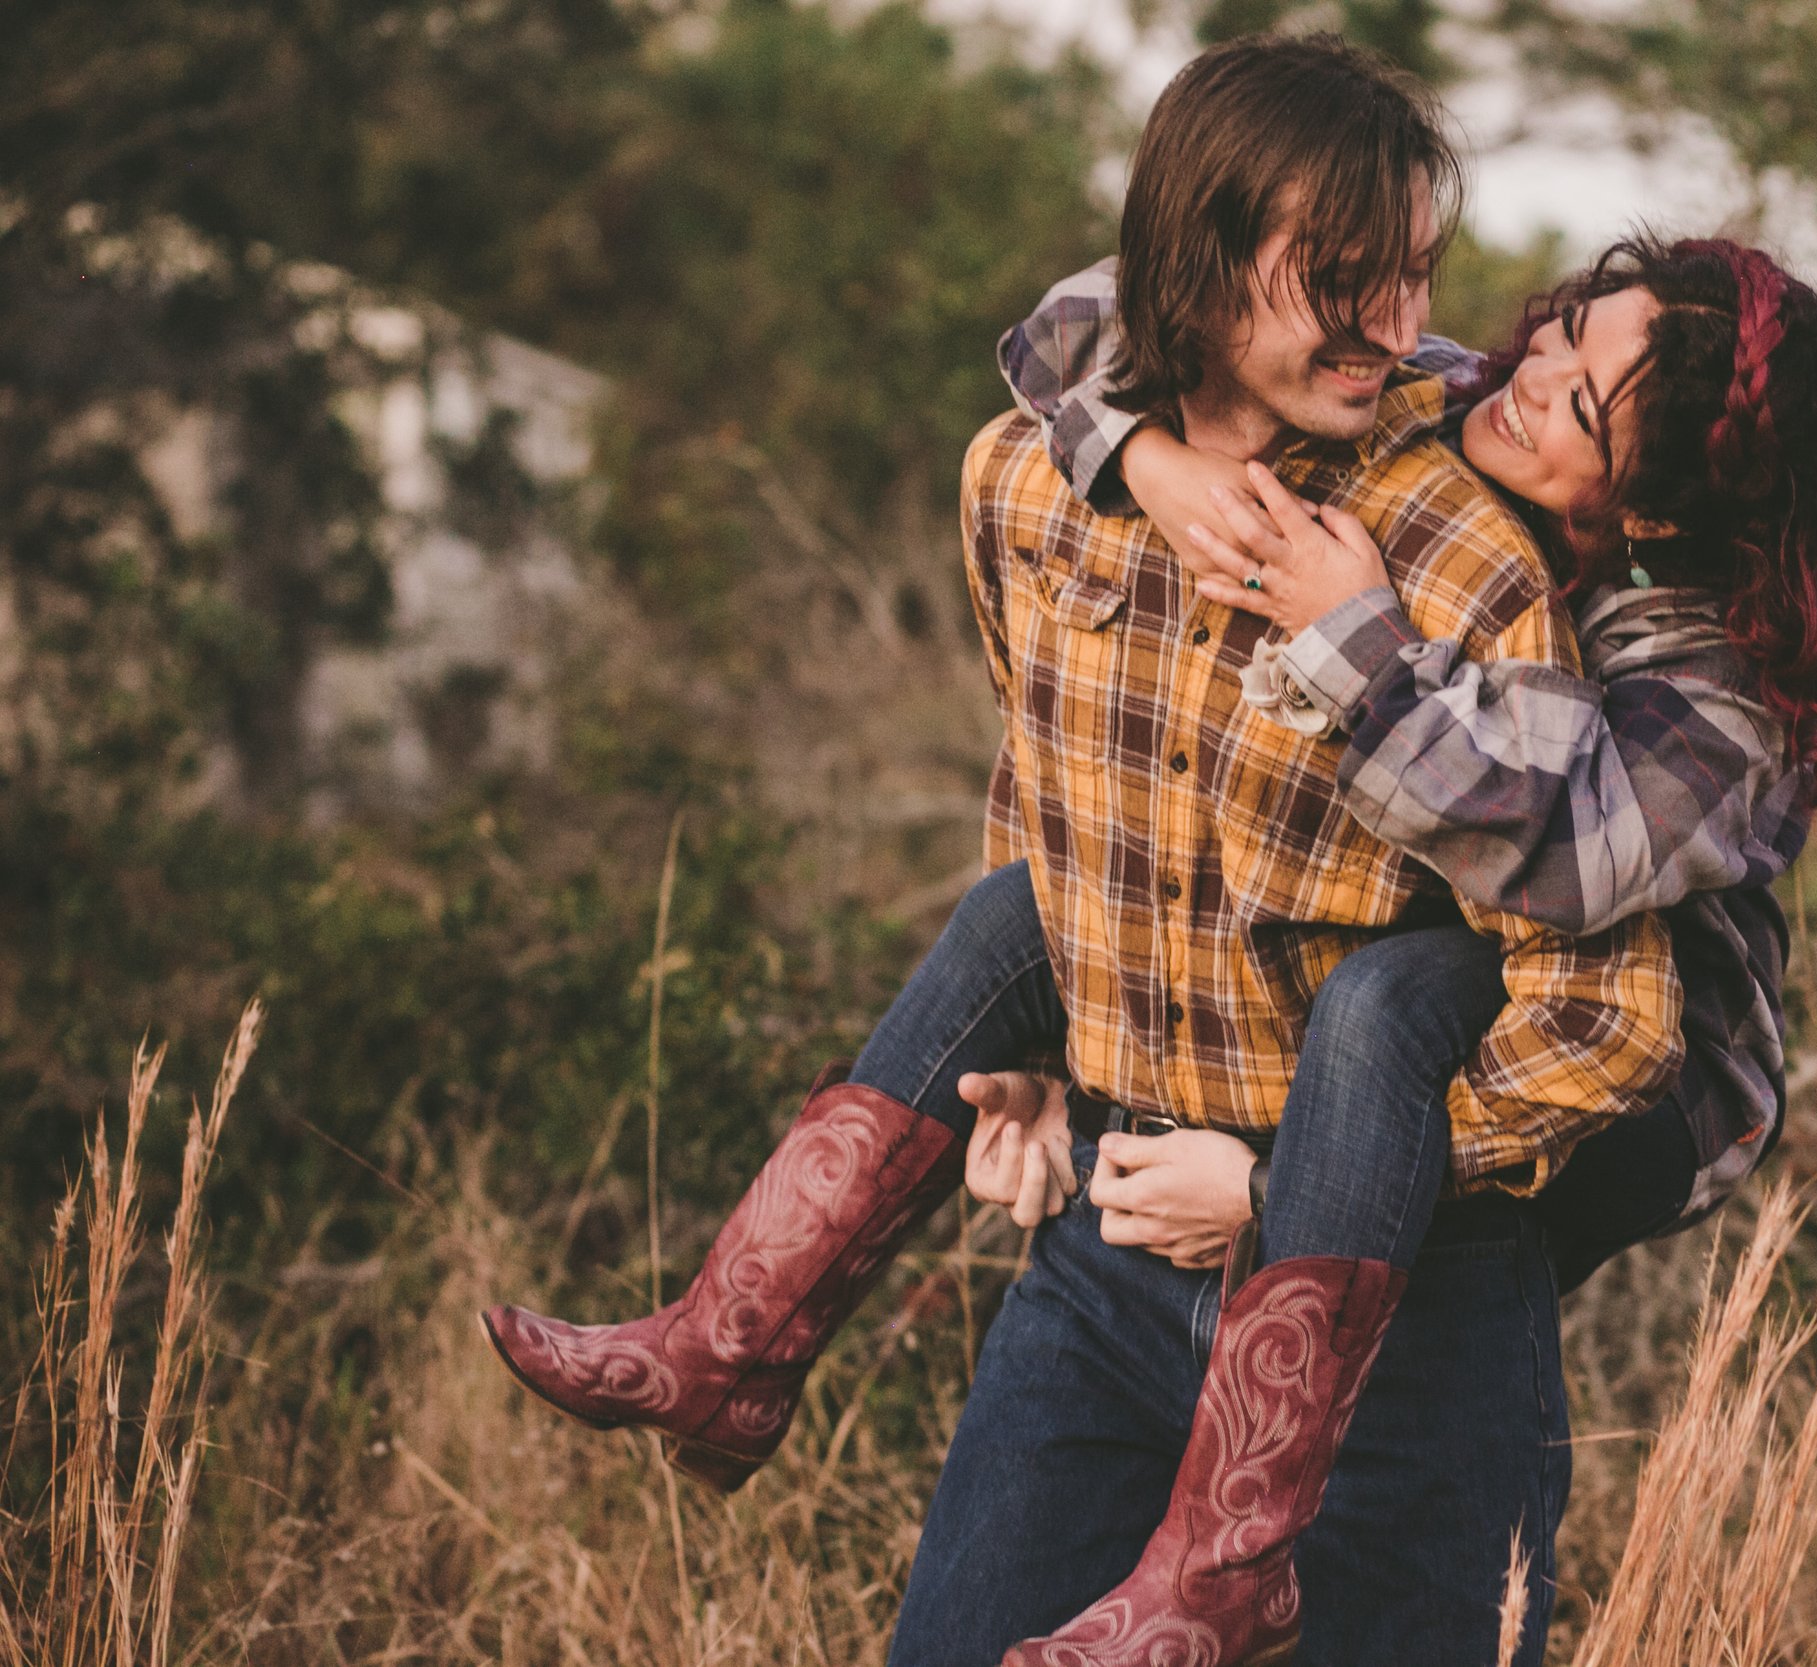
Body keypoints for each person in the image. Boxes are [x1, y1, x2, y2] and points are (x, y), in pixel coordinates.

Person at [484, 35, 1698, 1667]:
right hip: (1112, 1259)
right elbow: (1047, 790)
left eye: (1414, 276)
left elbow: (1610, 1015)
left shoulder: (1457, 550)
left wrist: (1275, 1193)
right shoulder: (1028, 489)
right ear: (1198, 264)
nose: (1399, 330)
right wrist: (1033, 1056)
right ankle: (734, 1342)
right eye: (1340, 278)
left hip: (1408, 1310)